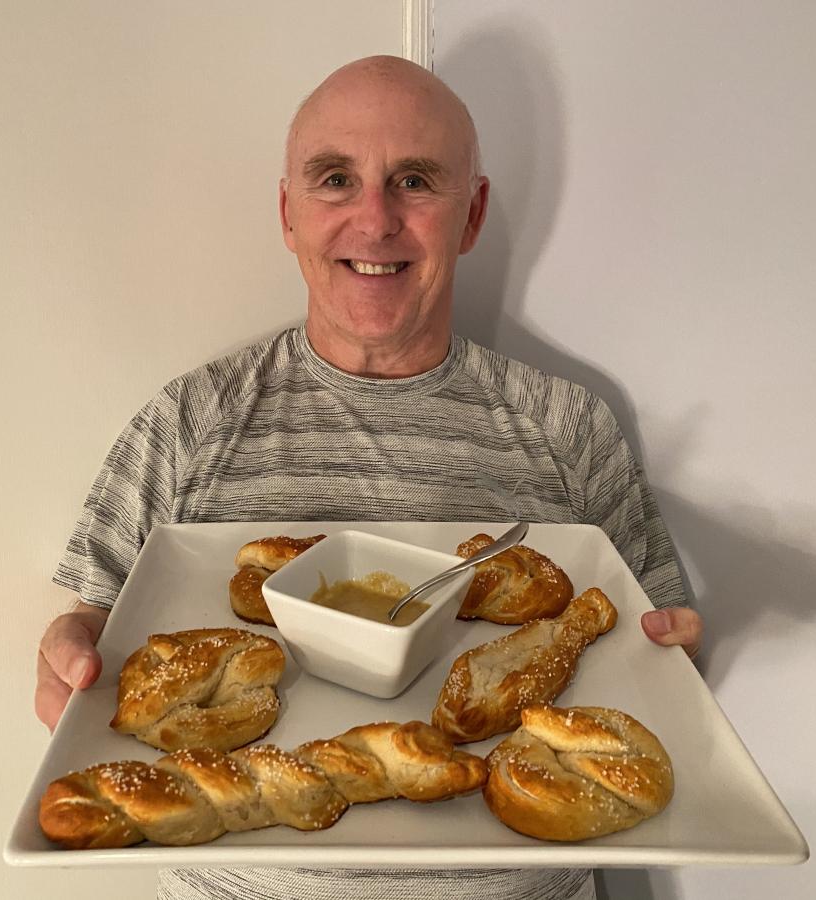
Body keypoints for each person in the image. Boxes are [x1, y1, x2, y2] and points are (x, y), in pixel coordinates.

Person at [35, 55, 703, 900]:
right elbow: (89, 623)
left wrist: (677, 650)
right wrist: (69, 658)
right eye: (336, 179)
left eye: (415, 180)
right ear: (288, 212)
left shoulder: (569, 425)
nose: (375, 219)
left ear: (473, 213)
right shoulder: (190, 420)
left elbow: (652, 660)